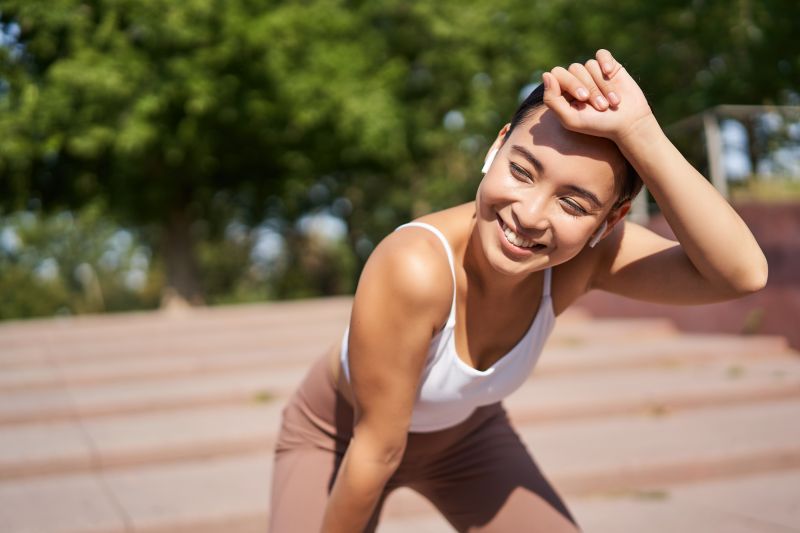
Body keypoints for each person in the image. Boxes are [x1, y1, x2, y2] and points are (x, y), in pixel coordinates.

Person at [267, 49, 768, 532]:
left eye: (573, 205)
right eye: (522, 171)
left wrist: (642, 134)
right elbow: (376, 451)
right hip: (339, 435)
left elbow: (740, 275)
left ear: (610, 220)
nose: (529, 216)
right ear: (496, 146)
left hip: (467, 440)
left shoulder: (584, 260)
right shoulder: (413, 267)